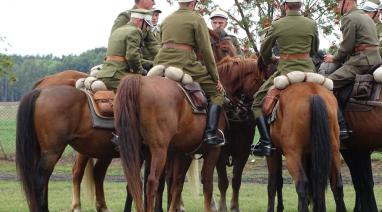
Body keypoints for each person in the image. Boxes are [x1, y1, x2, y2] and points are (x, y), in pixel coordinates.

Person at [251, 0, 319, 156]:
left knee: (256, 102)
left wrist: (270, 60)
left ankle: (266, 143)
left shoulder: (277, 25)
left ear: (285, 6)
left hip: (286, 70)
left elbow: (265, 50)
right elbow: (314, 49)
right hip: (309, 70)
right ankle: (341, 127)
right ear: (300, 5)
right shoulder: (311, 24)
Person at [154, 0, 225, 147]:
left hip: (160, 63)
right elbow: (206, 51)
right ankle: (211, 134)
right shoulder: (196, 18)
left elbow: (160, 43)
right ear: (193, 3)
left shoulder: (167, 19)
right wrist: (215, 77)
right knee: (218, 94)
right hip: (184, 64)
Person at [324, 0, 382, 140]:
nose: (338, 6)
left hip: (360, 62)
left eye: (339, 3)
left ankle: (341, 126)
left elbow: (347, 46)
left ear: (347, 2)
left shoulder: (349, 18)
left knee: (325, 84)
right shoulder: (366, 17)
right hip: (375, 60)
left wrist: (334, 58)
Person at [96, 9, 153, 90]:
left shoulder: (117, 31)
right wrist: (141, 71)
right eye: (147, 25)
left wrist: (152, 64)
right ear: (140, 21)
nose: (146, 29)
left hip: (104, 74)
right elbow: (132, 56)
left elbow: (124, 56)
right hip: (118, 76)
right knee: (144, 91)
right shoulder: (135, 31)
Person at [111, 0, 159, 64]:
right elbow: (114, 40)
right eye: (152, 0)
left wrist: (164, 58)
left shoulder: (146, 18)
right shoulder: (126, 16)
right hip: (124, 63)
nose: (154, 3)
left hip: (140, 61)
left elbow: (152, 44)